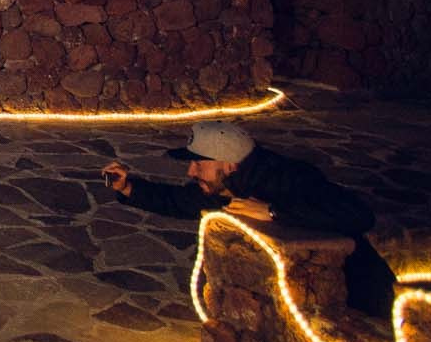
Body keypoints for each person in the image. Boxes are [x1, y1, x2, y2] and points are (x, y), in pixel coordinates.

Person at [100, 121, 396, 317]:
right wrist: (128, 187)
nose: (191, 171)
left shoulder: (287, 178)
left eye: (199, 163)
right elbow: (179, 201)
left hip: (362, 297)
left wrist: (273, 212)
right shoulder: (228, 183)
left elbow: (357, 214)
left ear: (229, 163)